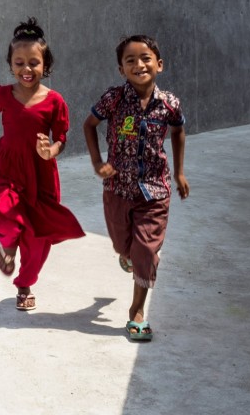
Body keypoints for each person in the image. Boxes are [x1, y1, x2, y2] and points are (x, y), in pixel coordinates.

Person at [0, 17, 84, 311]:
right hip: (8, 165)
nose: (26, 69)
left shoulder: (55, 101)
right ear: (10, 64)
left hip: (40, 173)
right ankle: (7, 244)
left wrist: (50, 151)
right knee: (4, 210)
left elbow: (61, 136)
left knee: (38, 238)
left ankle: (24, 284)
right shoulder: (2, 94)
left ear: (45, 65)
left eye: (34, 63)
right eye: (19, 63)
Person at [83, 33, 190, 342]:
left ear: (159, 64)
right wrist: (96, 161)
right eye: (130, 60)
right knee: (122, 245)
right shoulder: (113, 99)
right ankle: (127, 254)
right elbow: (89, 125)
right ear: (121, 69)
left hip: (155, 190)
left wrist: (180, 173)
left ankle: (137, 313)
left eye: (145, 58)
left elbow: (179, 131)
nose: (139, 64)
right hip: (117, 187)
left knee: (145, 250)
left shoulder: (169, 103)